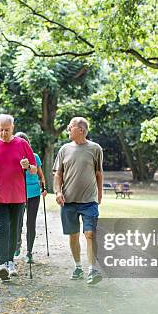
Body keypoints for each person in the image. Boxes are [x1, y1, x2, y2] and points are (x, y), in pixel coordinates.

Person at [0, 114, 37, 281]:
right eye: (1, 130)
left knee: (14, 230)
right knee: (2, 227)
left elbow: (34, 169)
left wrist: (28, 166)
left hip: (18, 195)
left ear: (13, 128)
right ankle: (2, 264)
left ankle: (11, 262)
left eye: (7, 130)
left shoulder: (22, 144)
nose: (4, 133)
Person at [53, 117, 104, 285]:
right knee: (73, 235)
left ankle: (92, 270)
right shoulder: (64, 149)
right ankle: (78, 267)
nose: (68, 129)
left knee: (90, 234)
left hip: (89, 201)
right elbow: (58, 174)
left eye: (71, 127)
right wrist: (58, 192)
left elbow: (98, 174)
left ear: (81, 130)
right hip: (68, 202)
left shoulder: (95, 149)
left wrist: (100, 195)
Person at [14, 132, 47, 264]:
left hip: (33, 193)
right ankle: (17, 243)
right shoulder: (13, 157)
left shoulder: (34, 157)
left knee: (30, 223)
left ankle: (29, 252)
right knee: (17, 222)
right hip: (18, 193)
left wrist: (44, 188)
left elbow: (40, 175)